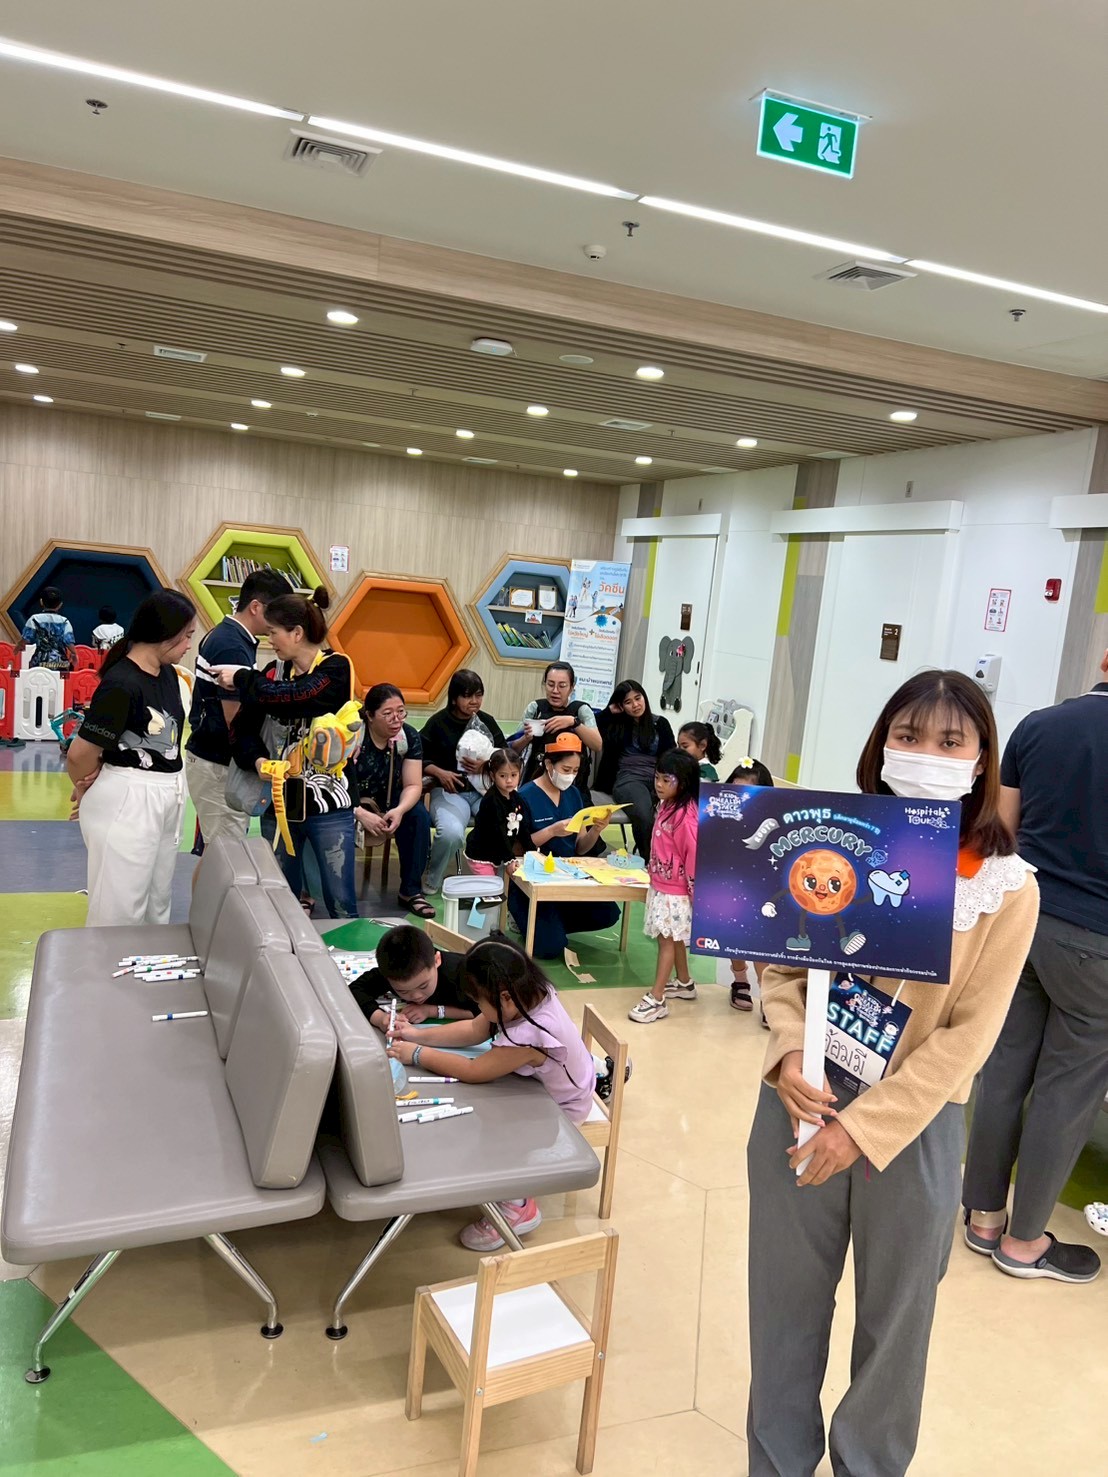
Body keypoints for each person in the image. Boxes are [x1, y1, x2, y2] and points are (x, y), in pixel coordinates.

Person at [746, 670, 1038, 1477]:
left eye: (950, 741)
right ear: (881, 746)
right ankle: (776, 1461)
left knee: (897, 1325)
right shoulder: (832, 841)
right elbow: (780, 966)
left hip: (913, 1126)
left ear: (981, 760)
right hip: (803, 1100)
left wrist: (864, 1127)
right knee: (782, 1306)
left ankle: (868, 1465)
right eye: (908, 736)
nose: (927, 755)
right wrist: (788, 1052)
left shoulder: (1005, 887)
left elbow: (969, 1037)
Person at [961, 645, 1108, 1284]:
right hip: (1099, 940)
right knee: (1066, 1091)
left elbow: (1004, 834)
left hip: (1024, 918)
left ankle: (982, 1217)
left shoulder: (1039, 726)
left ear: (1104, 659)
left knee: (1003, 1069)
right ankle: (1024, 1245)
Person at [387, 934, 596, 1249]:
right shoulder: (524, 992)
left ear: (505, 997)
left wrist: (417, 1055)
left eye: (480, 1002)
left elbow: (474, 1072)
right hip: (547, 1083)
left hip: (563, 1109)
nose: (478, 1008)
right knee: (481, 1113)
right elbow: (475, 1029)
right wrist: (418, 1035)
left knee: (493, 1126)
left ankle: (518, 1206)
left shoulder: (530, 1034)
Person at [215, 588, 358, 919]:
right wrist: (258, 761)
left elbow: (299, 697)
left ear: (297, 633)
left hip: (330, 803)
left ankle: (346, 952)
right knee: (280, 897)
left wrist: (243, 678)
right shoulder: (270, 675)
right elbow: (241, 730)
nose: (270, 641)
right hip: (279, 801)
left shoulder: (337, 668)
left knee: (340, 900)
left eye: (273, 633)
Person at [65, 590, 197, 926]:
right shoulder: (122, 684)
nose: (189, 645)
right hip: (130, 796)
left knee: (157, 902)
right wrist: (84, 787)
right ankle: (108, 960)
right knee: (119, 908)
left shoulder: (168, 674)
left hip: (168, 791)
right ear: (164, 634)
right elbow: (80, 754)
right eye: (186, 637)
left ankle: (148, 957)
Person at [184, 568, 291, 852]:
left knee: (217, 854)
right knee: (226, 855)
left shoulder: (231, 636)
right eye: (278, 613)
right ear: (256, 607)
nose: (282, 622)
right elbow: (236, 720)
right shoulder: (231, 645)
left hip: (212, 759)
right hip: (217, 764)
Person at [512, 730, 618, 958]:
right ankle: (531, 920)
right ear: (549, 764)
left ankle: (551, 924)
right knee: (549, 949)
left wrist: (596, 830)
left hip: (566, 877)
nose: (570, 776)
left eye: (575, 771)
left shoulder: (574, 794)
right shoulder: (525, 795)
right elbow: (517, 849)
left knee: (608, 913)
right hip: (533, 879)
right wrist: (552, 831)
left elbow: (580, 847)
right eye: (566, 770)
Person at [628, 749, 700, 1024]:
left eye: (666, 780)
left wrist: (694, 893)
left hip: (676, 892)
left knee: (666, 940)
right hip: (662, 884)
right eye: (657, 777)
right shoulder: (667, 805)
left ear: (683, 782)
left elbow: (692, 857)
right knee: (673, 936)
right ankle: (684, 983)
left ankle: (657, 998)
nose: (658, 784)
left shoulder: (686, 817)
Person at [419, 669, 507, 894]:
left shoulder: (486, 721)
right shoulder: (438, 723)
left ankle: (496, 882)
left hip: (483, 792)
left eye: (479, 695)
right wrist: (440, 773)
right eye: (468, 696)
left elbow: (505, 756)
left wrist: (486, 764)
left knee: (504, 826)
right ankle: (432, 878)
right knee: (451, 833)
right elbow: (417, 757)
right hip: (449, 792)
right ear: (454, 698)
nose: (474, 701)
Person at [352, 683, 434, 919]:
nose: (396, 719)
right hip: (349, 800)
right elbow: (334, 783)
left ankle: (411, 891)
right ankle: (330, 895)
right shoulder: (352, 735)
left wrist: (399, 810)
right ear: (369, 715)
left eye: (401, 711)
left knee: (418, 816)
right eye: (387, 713)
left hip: (389, 798)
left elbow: (413, 785)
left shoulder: (408, 736)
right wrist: (359, 812)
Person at [594, 679, 676, 861]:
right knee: (644, 815)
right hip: (629, 779)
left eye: (638, 698)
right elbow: (592, 726)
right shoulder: (616, 724)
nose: (635, 705)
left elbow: (671, 755)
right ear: (621, 706)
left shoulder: (660, 723)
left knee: (678, 813)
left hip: (658, 779)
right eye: (628, 702)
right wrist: (608, 712)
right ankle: (652, 861)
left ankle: (672, 860)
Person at [723, 757, 775, 1014]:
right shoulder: (722, 817)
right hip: (731, 884)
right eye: (736, 790)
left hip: (760, 887)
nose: (741, 796)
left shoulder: (772, 818)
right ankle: (740, 980)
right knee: (734, 935)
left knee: (759, 941)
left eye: (749, 791)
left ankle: (768, 994)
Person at [350, 925, 479, 1029]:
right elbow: (355, 989)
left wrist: (431, 1011)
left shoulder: (463, 975)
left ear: (437, 961)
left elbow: (480, 1011)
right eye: (403, 991)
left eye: (423, 986)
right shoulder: (393, 971)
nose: (416, 996)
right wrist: (379, 1018)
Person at [514, 660, 602, 800]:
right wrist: (526, 738)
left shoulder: (581, 710)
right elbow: (512, 749)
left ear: (572, 687)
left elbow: (597, 745)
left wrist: (574, 722)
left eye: (562, 686)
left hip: (574, 785)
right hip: (535, 783)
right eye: (550, 684)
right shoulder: (536, 708)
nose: (555, 691)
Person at [464, 748, 525, 877]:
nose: (509, 780)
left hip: (496, 853)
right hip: (481, 854)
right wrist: (510, 859)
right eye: (503, 776)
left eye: (513, 775)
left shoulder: (516, 797)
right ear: (493, 776)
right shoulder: (491, 801)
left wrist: (532, 850)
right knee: (489, 888)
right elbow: (499, 831)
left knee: (495, 885)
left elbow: (523, 826)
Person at [22, 587, 75, 671]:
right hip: (60, 664)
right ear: (60, 604)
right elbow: (69, 643)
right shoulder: (65, 621)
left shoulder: (34, 619)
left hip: (39, 663)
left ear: (41, 602)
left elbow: (26, 639)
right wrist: (74, 653)